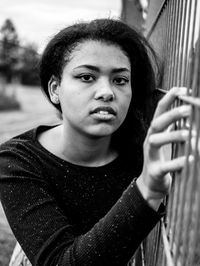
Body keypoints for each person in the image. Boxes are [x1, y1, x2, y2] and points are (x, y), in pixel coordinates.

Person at [0, 18, 192, 266]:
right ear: (55, 89)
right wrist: (147, 190)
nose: (107, 92)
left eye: (120, 80)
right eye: (87, 77)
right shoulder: (17, 161)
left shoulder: (143, 152)